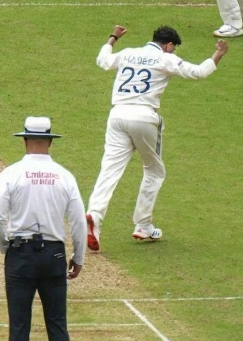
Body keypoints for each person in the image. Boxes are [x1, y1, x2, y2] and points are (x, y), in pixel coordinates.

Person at [84, 25, 228, 251]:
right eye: (173, 48)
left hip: (117, 115)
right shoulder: (165, 59)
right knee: (154, 170)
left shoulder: (129, 52)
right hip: (144, 117)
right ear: (169, 45)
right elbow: (198, 72)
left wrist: (112, 38)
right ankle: (143, 225)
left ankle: (94, 215)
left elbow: (103, 60)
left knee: (109, 170)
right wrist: (218, 54)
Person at [0, 117, 86, 341]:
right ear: (50, 141)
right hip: (54, 254)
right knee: (57, 324)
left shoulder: (12, 173)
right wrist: (78, 257)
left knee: (19, 325)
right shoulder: (64, 175)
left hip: (21, 253)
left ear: (25, 140)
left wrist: (6, 245)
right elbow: (79, 221)